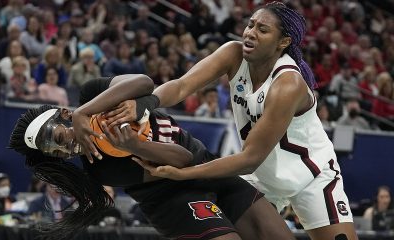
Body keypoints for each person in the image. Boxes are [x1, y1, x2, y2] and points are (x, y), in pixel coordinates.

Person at [100, 2, 358, 240]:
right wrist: (147, 103)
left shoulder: (287, 84)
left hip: (311, 176)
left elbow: (248, 159)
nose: (250, 32)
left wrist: (184, 174)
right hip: (262, 179)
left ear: (283, 42)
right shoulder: (233, 53)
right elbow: (181, 86)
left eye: (263, 30)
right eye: (250, 24)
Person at [9, 74, 294, 240]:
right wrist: (137, 146)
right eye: (57, 153)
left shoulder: (92, 95)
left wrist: (87, 111)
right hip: (174, 198)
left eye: (59, 138)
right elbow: (183, 161)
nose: (65, 149)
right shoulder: (100, 168)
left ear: (66, 115)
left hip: (211, 166)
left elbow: (144, 82)